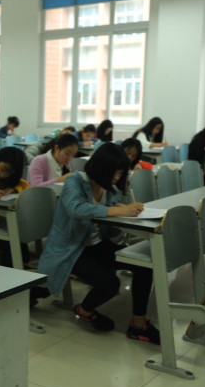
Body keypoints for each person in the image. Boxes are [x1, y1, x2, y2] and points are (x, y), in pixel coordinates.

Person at [36, 143, 159, 343]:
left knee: (143, 265)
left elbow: (109, 228)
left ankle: (138, 325)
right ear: (101, 168)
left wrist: (121, 214)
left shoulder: (109, 189)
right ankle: (84, 310)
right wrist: (117, 211)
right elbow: (76, 209)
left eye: (120, 172)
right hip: (71, 249)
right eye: (114, 172)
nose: (117, 177)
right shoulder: (75, 181)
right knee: (110, 284)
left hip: (96, 245)